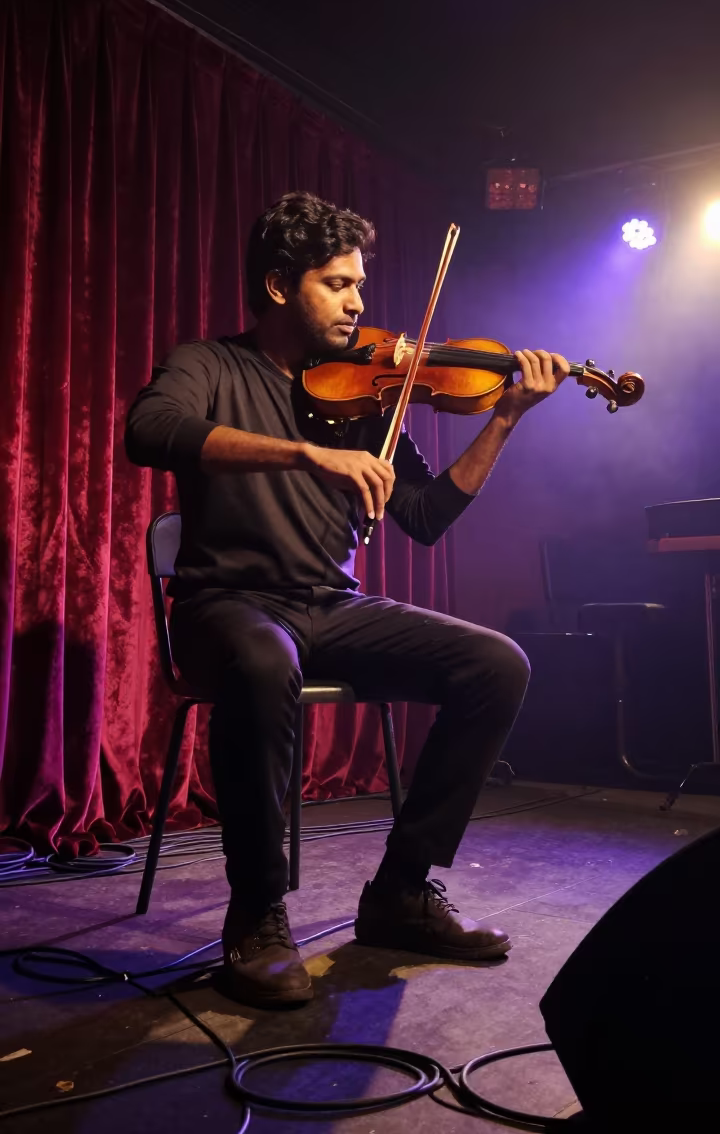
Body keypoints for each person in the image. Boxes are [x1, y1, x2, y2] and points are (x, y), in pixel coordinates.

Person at [125, 191, 569, 1010]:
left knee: (495, 663)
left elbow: (426, 518)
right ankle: (257, 913)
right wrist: (304, 456)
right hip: (227, 606)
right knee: (264, 660)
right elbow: (148, 431)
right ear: (279, 287)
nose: (361, 303)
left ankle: (401, 891)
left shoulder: (364, 394)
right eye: (338, 284)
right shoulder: (208, 364)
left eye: (359, 283)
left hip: (328, 605)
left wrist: (505, 418)